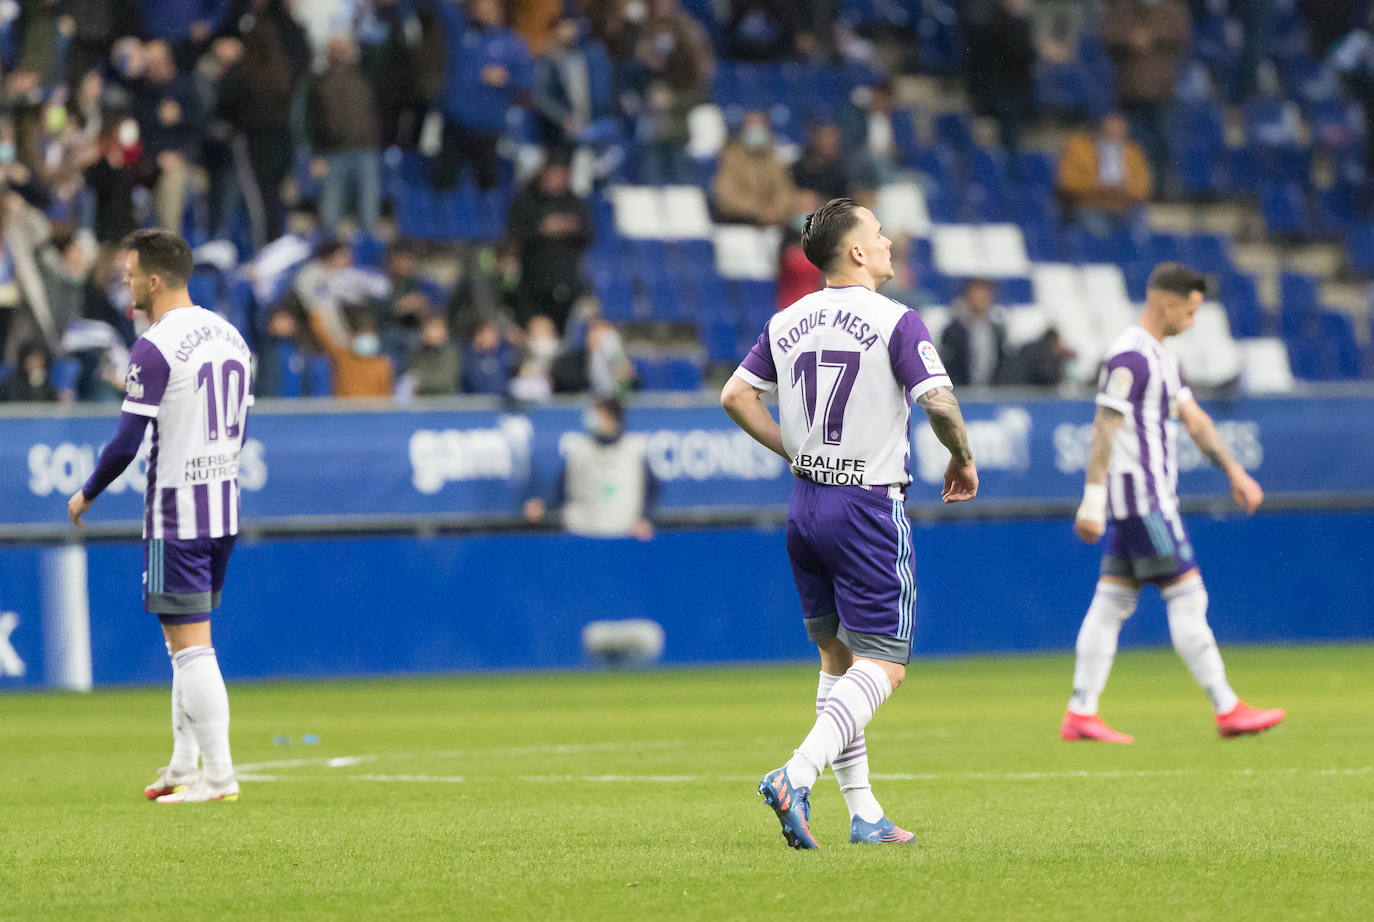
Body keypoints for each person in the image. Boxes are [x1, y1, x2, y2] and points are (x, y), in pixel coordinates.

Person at [720, 197, 978, 849]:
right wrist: (962, 456)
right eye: (879, 233)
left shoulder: (787, 321)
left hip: (806, 505)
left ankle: (863, 813)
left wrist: (795, 450)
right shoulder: (896, 321)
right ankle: (795, 773)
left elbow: (734, 395)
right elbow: (939, 402)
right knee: (885, 663)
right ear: (856, 251)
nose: (889, 241)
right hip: (865, 506)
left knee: (837, 656)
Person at [66, 228, 251, 803]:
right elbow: (242, 421)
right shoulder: (232, 336)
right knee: (183, 643)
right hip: (222, 509)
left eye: (128, 273)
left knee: (193, 647)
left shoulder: (156, 345)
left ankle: (218, 777)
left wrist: (87, 493)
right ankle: (182, 764)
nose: (124, 281)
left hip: (178, 516)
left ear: (152, 279)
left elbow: (126, 442)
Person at [1063, 262, 1284, 744]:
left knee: (1111, 604)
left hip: (1145, 499)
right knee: (1189, 595)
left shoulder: (1162, 357)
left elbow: (1195, 419)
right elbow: (1105, 425)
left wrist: (1234, 470)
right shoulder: (1129, 357)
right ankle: (1227, 706)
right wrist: (1093, 499)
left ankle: (1081, 710)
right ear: (1168, 303)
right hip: (1142, 499)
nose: (1193, 319)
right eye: (1191, 309)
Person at [524, 396, 658, 539]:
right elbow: (561, 491)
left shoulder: (635, 448)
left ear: (612, 417)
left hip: (623, 533)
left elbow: (652, 490)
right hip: (582, 533)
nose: (592, 418)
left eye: (598, 414)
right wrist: (544, 505)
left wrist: (645, 518)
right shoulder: (578, 449)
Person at [1056, 112, 1152, 239]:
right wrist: (1095, 185)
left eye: (1119, 134)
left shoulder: (1133, 153)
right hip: (1090, 205)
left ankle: (1137, 258)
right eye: (1110, 132)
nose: (1114, 138)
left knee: (1140, 229)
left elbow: (1143, 188)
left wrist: (1125, 188)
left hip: (1123, 207)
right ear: (1099, 132)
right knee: (1098, 231)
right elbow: (1067, 182)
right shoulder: (1079, 150)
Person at [711, 110, 794, 226]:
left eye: (760, 125)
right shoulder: (731, 156)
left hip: (774, 221)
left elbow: (785, 191)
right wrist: (759, 211)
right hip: (740, 223)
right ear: (744, 128)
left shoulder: (774, 157)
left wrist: (776, 211)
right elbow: (727, 195)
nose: (756, 130)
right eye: (752, 125)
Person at [940, 278, 1008, 387]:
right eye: (976, 294)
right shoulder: (954, 331)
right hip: (962, 392)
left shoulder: (997, 330)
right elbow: (949, 364)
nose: (981, 299)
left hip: (992, 392)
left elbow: (1002, 364)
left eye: (985, 295)